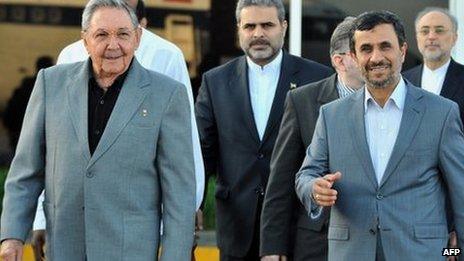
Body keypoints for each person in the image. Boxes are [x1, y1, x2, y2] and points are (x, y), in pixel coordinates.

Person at [0, 1, 196, 260]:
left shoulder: (168, 95)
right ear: (85, 40)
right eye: (101, 34)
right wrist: (12, 236)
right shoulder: (51, 83)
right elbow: (26, 171)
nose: (113, 45)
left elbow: (179, 194)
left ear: (137, 38)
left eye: (123, 34)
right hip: (65, 249)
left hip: (132, 252)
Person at [295, 10, 464, 260]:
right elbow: (306, 175)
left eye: (385, 46)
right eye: (366, 49)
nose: (376, 57)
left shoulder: (441, 112)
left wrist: (455, 252)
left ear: (402, 51)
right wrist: (314, 188)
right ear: (353, 56)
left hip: (421, 253)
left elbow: (460, 190)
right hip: (351, 252)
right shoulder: (332, 115)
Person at [195, 0, 332, 259]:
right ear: (239, 30)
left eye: (267, 25)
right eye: (250, 26)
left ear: (283, 27)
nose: (258, 33)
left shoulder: (317, 78)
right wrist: (194, 204)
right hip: (236, 227)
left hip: (297, 226)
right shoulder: (215, 82)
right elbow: (203, 151)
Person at [260, 17, 363, 261]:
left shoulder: (394, 100)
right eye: (363, 50)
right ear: (340, 60)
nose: (374, 58)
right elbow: (281, 177)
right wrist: (273, 248)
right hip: (317, 242)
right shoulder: (302, 100)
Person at [403, 7, 464, 121]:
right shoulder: (403, 81)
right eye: (425, 31)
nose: (431, 36)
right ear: (417, 38)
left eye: (439, 30)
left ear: (454, 38)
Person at [3, 56, 54, 153]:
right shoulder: (50, 88)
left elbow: (10, 113)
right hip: (38, 135)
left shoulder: (24, 88)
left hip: (20, 134)